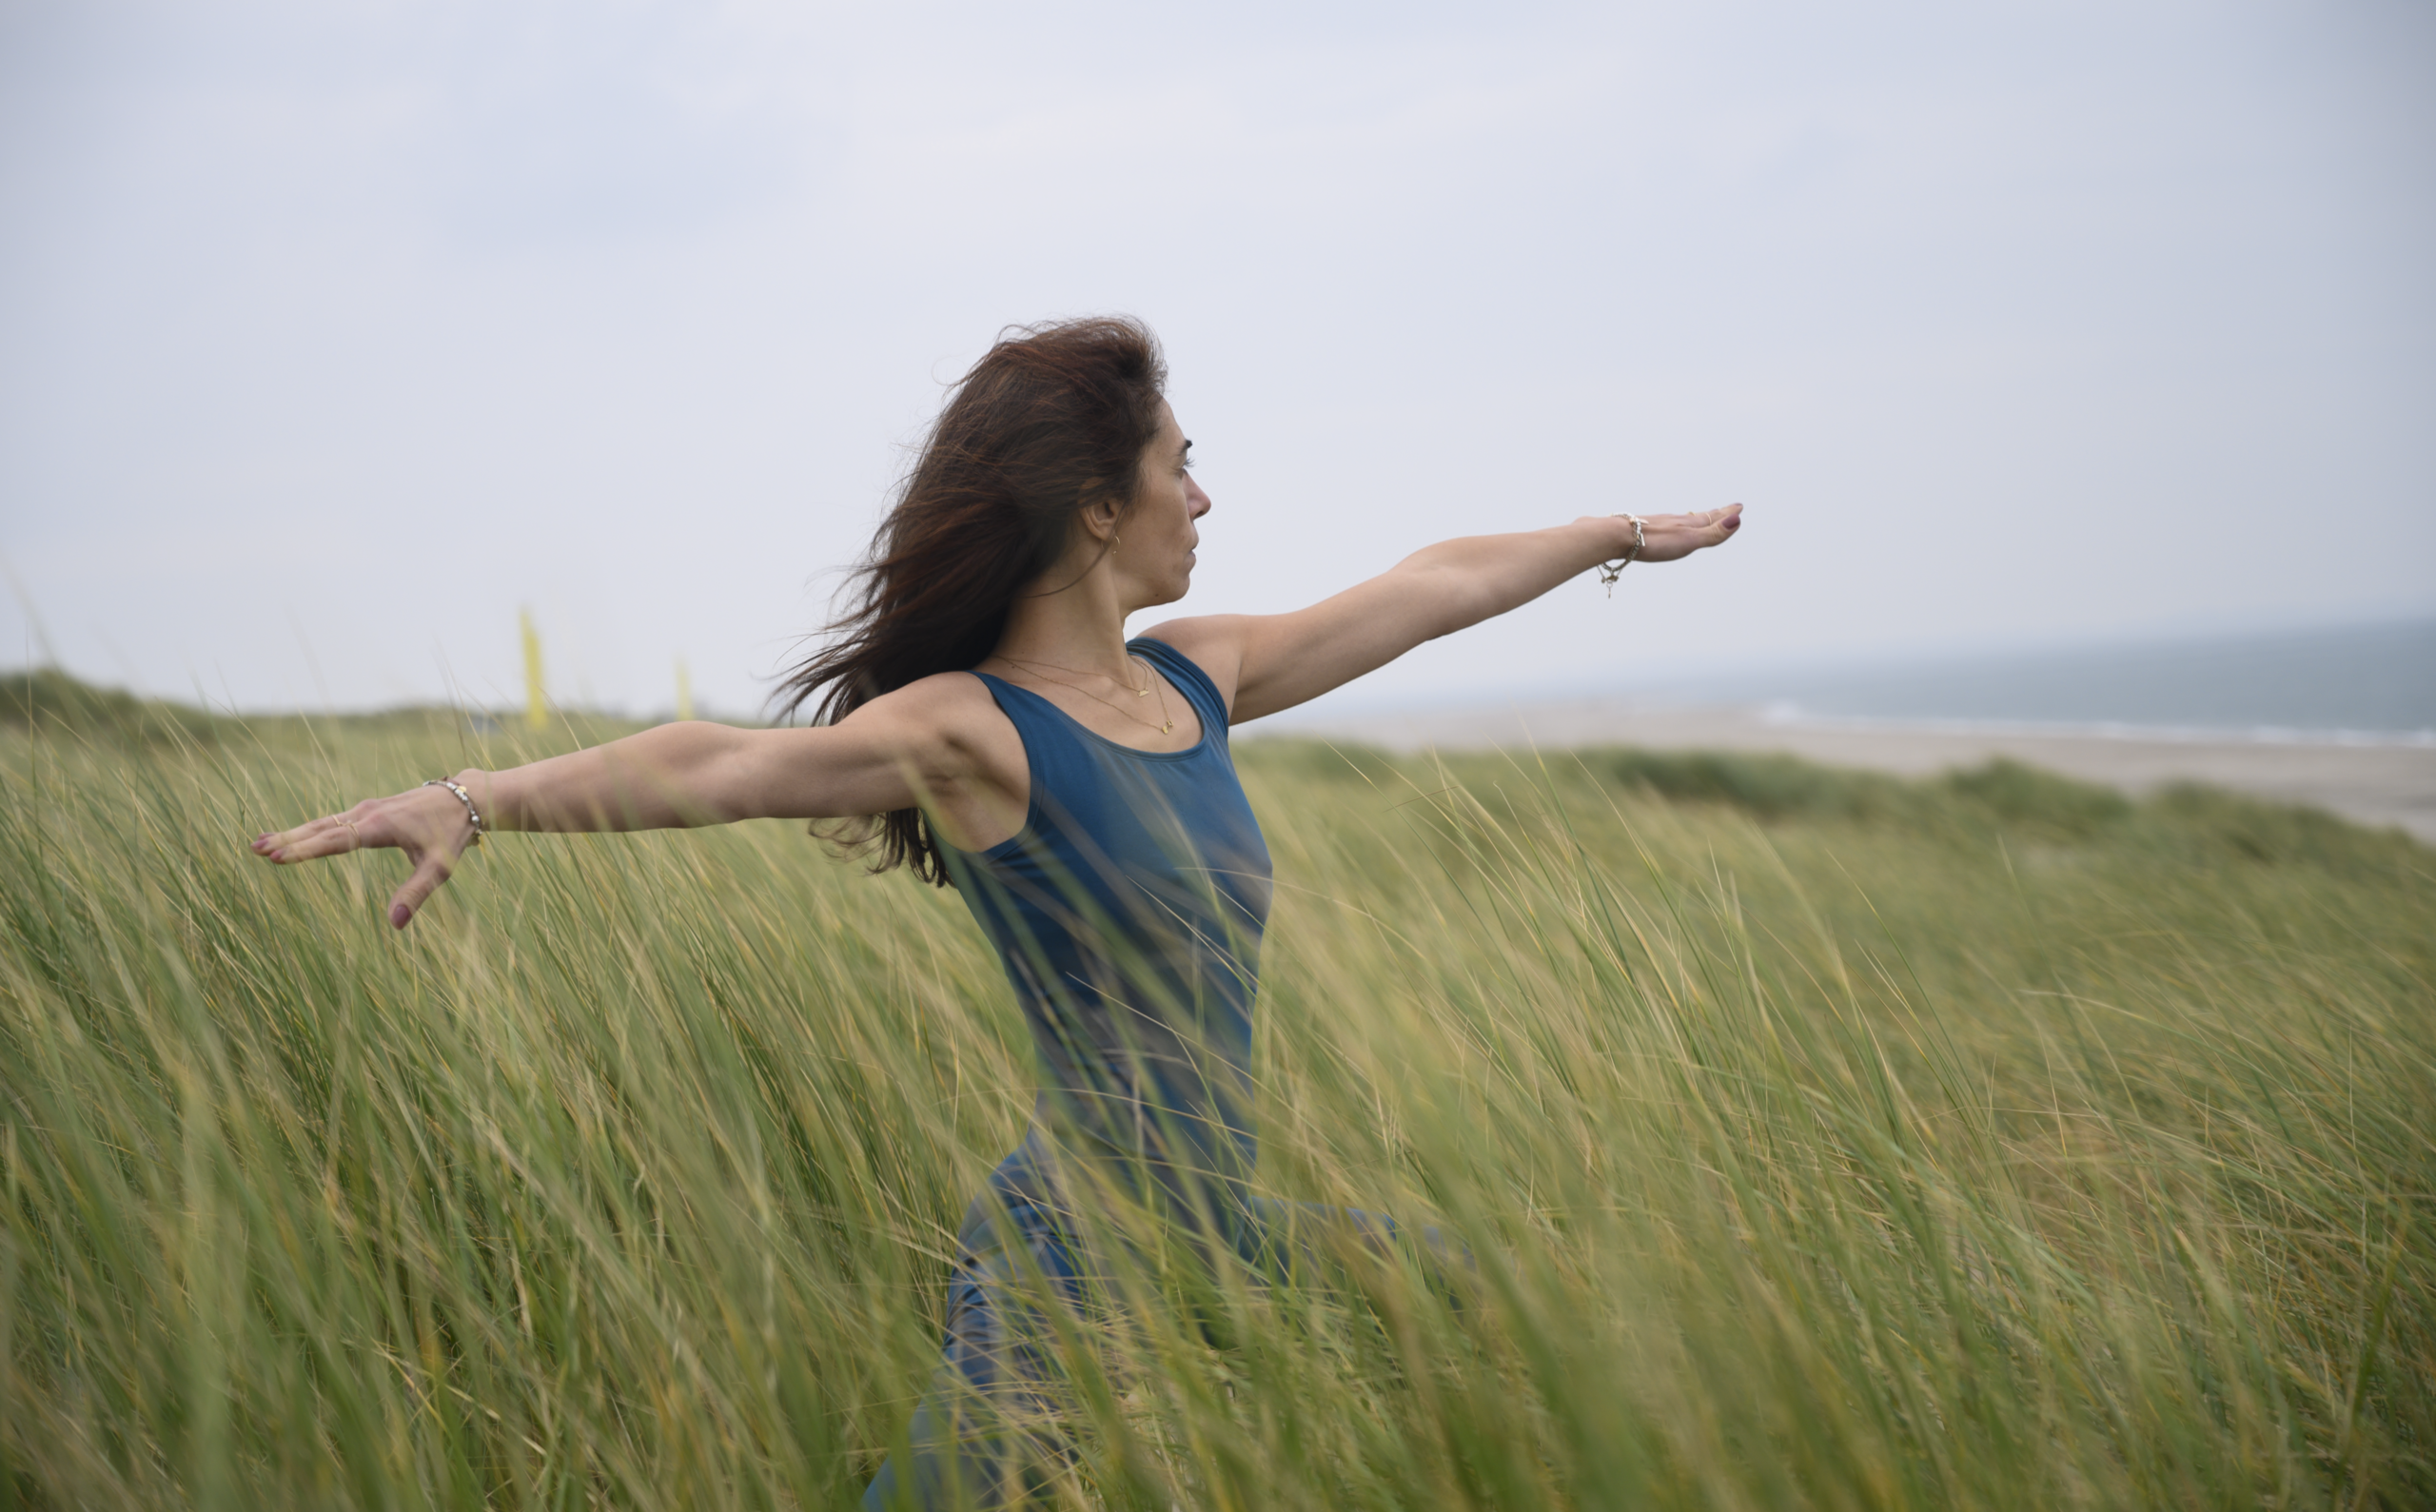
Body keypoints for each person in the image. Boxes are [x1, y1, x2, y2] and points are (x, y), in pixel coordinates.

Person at [251, 317, 1741, 1507]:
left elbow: (1434, 586)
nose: (1206, 495)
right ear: (1101, 505)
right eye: (1182, 465)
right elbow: (717, 762)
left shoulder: (1194, 674)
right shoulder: (976, 727)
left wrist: (1614, 530)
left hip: (1215, 1225)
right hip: (1076, 1245)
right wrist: (475, 795)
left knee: (1504, 1312)